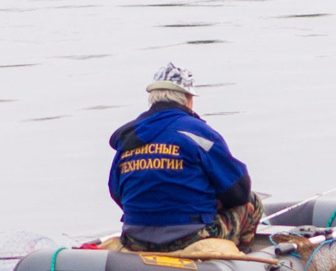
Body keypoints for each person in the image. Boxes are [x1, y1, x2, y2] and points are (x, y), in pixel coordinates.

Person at [108, 63, 261, 252]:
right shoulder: (198, 133)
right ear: (188, 99)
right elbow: (239, 191)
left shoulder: (128, 138)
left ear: (153, 98)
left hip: (135, 239)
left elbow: (116, 193)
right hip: (189, 237)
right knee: (253, 202)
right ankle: (240, 261)